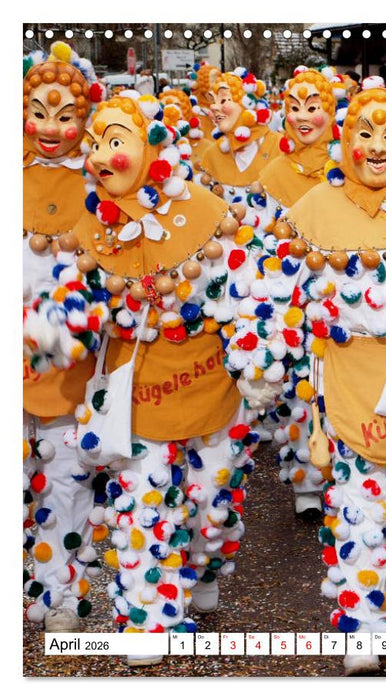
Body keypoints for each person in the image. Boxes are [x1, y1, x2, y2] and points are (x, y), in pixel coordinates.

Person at [226, 86, 386, 675]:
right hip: (349, 371)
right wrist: (261, 362)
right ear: (346, 139)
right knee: (360, 498)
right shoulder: (314, 205)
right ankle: (362, 619)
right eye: (365, 134)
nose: (377, 148)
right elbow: (270, 291)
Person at [25, 92, 259, 665]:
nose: (102, 155)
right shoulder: (94, 222)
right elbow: (73, 290)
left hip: (210, 386)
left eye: (116, 141)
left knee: (207, 507)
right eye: (98, 144)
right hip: (136, 393)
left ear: (151, 147)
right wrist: (54, 327)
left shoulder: (207, 210)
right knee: (142, 508)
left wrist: (261, 356)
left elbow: (250, 292)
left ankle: (203, 564)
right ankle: (149, 621)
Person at [22, 41, 104, 634]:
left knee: (67, 479)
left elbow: (113, 265)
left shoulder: (105, 183)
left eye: (65, 114)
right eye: (39, 111)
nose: (51, 128)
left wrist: (63, 325)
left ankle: (60, 592)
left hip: (67, 358)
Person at [251, 67, 342, 518]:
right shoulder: (273, 172)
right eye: (295, 108)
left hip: (344, 290)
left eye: (314, 108)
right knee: (297, 389)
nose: (304, 117)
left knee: (342, 383)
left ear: (331, 111)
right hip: (292, 295)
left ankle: (343, 473)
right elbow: (260, 236)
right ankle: (305, 479)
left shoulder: (348, 162)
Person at [196, 68, 283, 207]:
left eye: (224, 100)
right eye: (213, 101)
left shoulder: (280, 147)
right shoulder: (212, 154)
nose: (214, 107)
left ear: (246, 103)